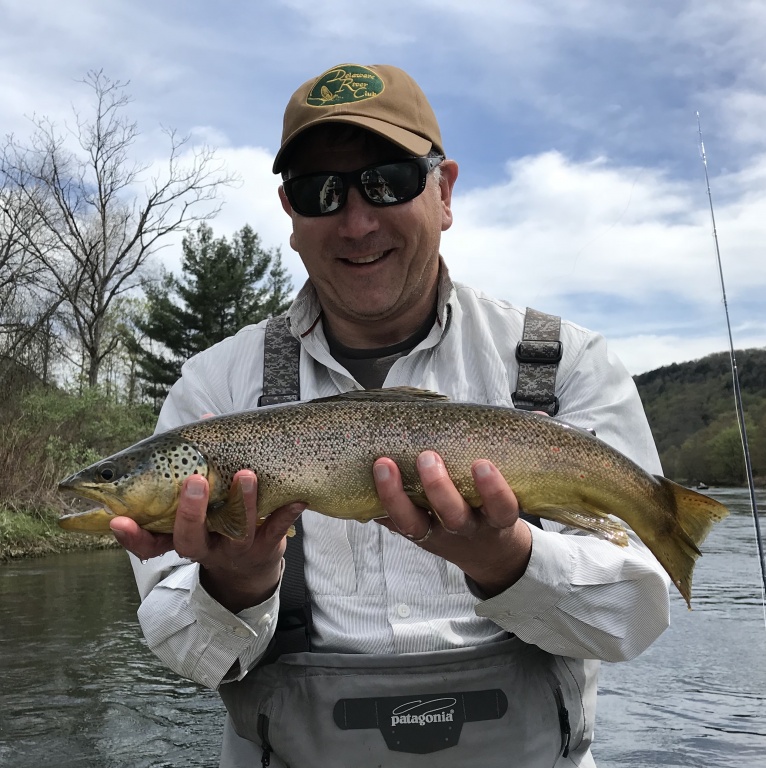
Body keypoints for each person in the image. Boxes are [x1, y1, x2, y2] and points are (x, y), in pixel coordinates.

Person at [112, 63, 671, 768]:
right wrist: (236, 583)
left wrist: (509, 561)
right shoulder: (216, 387)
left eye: (388, 181)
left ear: (444, 192)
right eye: (321, 192)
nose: (357, 221)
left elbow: (634, 619)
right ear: (290, 215)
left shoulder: (566, 363)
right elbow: (188, 656)